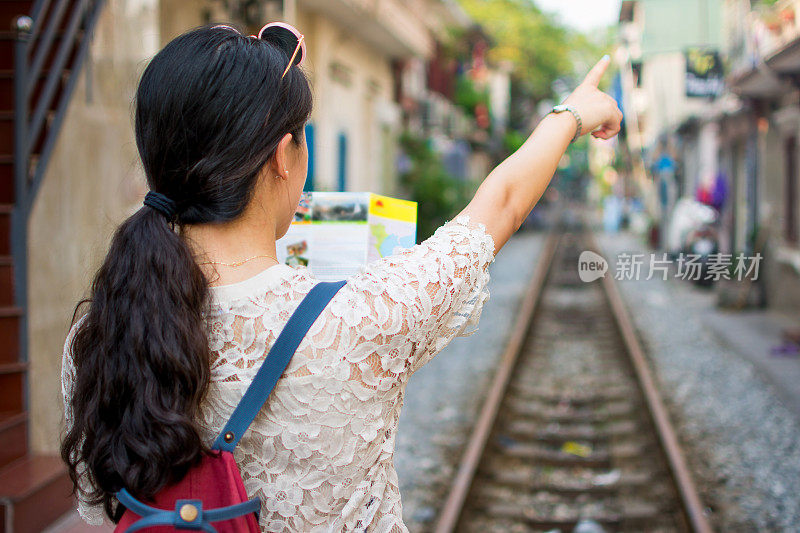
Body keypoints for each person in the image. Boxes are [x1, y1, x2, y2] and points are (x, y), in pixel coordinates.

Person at [60, 23, 622, 532]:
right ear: (284, 156)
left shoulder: (102, 331)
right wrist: (571, 114)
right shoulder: (363, 318)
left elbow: (101, 505)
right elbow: (498, 206)